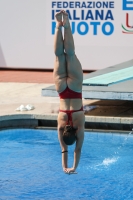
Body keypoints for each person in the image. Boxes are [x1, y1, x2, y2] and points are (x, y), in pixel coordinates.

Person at [53, 10, 85, 174]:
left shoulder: (79, 126)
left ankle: (67, 23)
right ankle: (59, 25)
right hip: (62, 90)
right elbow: (64, 149)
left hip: (75, 87)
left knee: (70, 55)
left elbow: (76, 150)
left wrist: (74, 167)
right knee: (59, 55)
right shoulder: (60, 127)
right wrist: (64, 167)